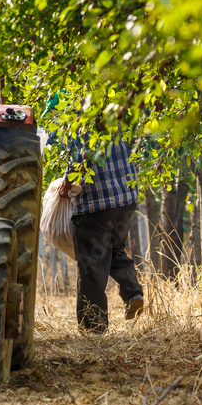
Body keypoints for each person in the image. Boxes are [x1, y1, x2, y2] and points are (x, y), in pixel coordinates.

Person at [59, 133, 145, 333]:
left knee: (92, 267)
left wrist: (66, 183)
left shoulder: (81, 124)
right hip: (126, 200)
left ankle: (93, 329)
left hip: (97, 204)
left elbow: (76, 162)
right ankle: (133, 294)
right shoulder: (118, 117)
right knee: (115, 250)